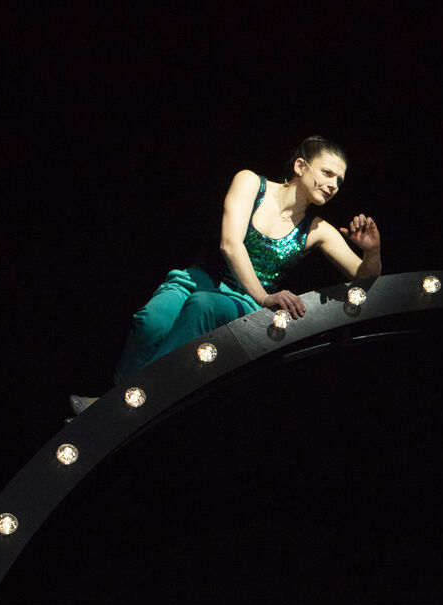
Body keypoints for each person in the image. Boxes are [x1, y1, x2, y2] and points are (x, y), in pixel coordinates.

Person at [72, 135, 381, 411]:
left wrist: (372, 252)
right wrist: (266, 296)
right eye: (327, 173)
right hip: (201, 278)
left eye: (339, 181)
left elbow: (363, 277)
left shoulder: (317, 229)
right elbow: (230, 244)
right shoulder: (251, 183)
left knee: (204, 306)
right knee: (151, 321)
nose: (333, 185)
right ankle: (116, 403)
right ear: (301, 166)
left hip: (245, 299)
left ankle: (116, 408)